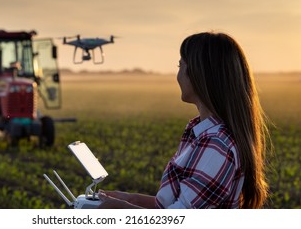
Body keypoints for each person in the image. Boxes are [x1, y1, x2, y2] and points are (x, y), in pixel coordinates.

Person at [98, 31, 270, 209]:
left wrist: (118, 209)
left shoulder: (216, 145)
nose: (178, 75)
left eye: (180, 65)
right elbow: (176, 204)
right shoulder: (200, 130)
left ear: (199, 74)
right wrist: (131, 199)